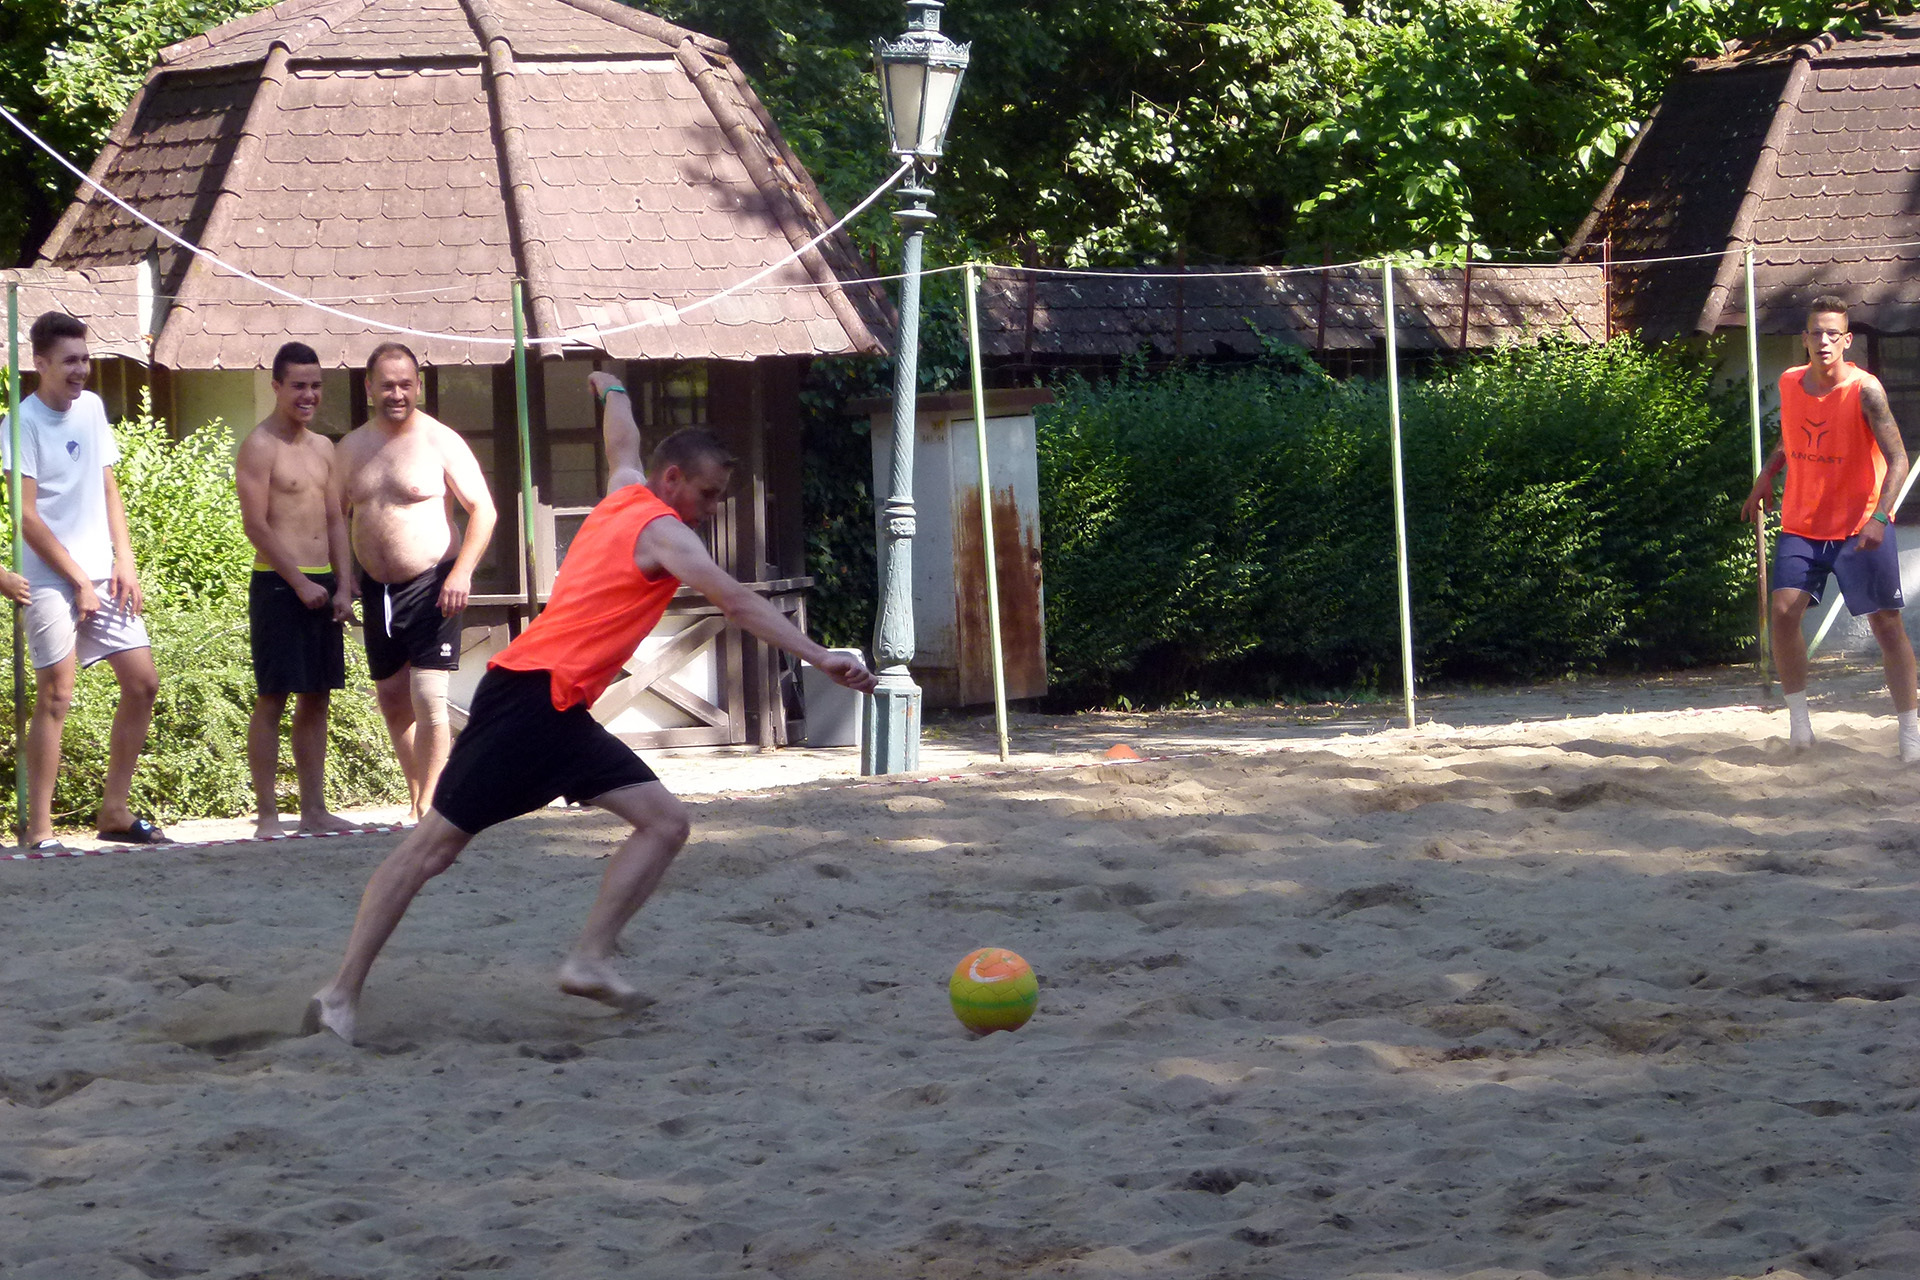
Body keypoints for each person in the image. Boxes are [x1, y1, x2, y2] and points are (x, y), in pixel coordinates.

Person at [305, 371, 877, 1043]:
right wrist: (819, 656)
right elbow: (737, 601)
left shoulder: (625, 491)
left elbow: (622, 444)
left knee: (664, 823)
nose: (710, 508)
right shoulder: (665, 533)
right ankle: (339, 994)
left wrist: (612, 390)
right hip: (528, 701)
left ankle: (589, 960)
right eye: (706, 494)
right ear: (672, 479)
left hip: (560, 709)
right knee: (431, 850)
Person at [0, 312, 162, 851]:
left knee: (142, 683)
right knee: (56, 695)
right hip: (49, 575)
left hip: (101, 570)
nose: (80, 370)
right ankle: (40, 831)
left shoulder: (91, 408)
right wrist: (77, 580)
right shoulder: (20, 423)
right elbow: (25, 516)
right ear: (41, 363)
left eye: (85, 360)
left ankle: (114, 811)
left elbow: (108, 486)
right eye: (70, 361)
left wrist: (125, 559)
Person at [1743, 294, 1918, 759]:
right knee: (1783, 614)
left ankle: (1910, 737)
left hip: (1862, 526)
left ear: (1847, 340)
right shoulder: (1789, 381)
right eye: (1816, 333)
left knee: (1886, 625)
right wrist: (1767, 475)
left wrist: (1879, 518)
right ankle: (1800, 730)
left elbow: (1899, 459)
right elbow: (1791, 434)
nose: (1824, 341)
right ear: (1805, 339)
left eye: (1832, 333)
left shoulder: (1866, 390)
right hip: (1802, 523)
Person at [331, 342, 496, 819]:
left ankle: (431, 805)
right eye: (387, 385)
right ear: (369, 387)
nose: (397, 394)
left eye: (406, 384)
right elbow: (336, 517)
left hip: (434, 582)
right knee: (391, 698)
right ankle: (418, 793)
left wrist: (462, 572)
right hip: (377, 589)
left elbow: (483, 510)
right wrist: (344, 579)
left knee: (428, 695)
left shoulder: (440, 440)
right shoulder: (351, 448)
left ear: (419, 386)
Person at [235, 341, 358, 838]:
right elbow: (255, 525)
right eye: (298, 385)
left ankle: (314, 810)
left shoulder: (324, 448)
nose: (308, 395)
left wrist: (344, 585)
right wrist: (299, 581)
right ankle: (267, 815)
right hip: (278, 584)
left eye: (315, 385)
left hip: (323, 583)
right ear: (277, 387)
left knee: (318, 696)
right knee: (273, 696)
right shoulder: (259, 445)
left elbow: (335, 520)